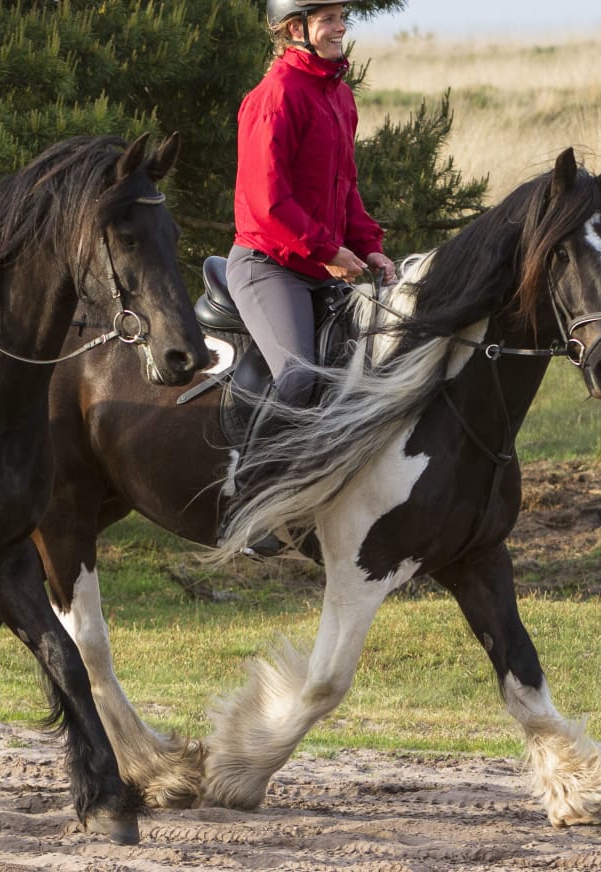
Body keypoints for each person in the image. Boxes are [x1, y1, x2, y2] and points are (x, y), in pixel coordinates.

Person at [226, 0, 397, 555]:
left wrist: (369, 248)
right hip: (266, 266)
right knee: (299, 378)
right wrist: (331, 252)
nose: (341, 28)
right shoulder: (274, 98)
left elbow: (345, 189)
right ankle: (249, 504)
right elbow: (267, 201)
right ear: (294, 30)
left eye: (342, 17)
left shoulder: (337, 95)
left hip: (319, 264)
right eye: (328, 19)